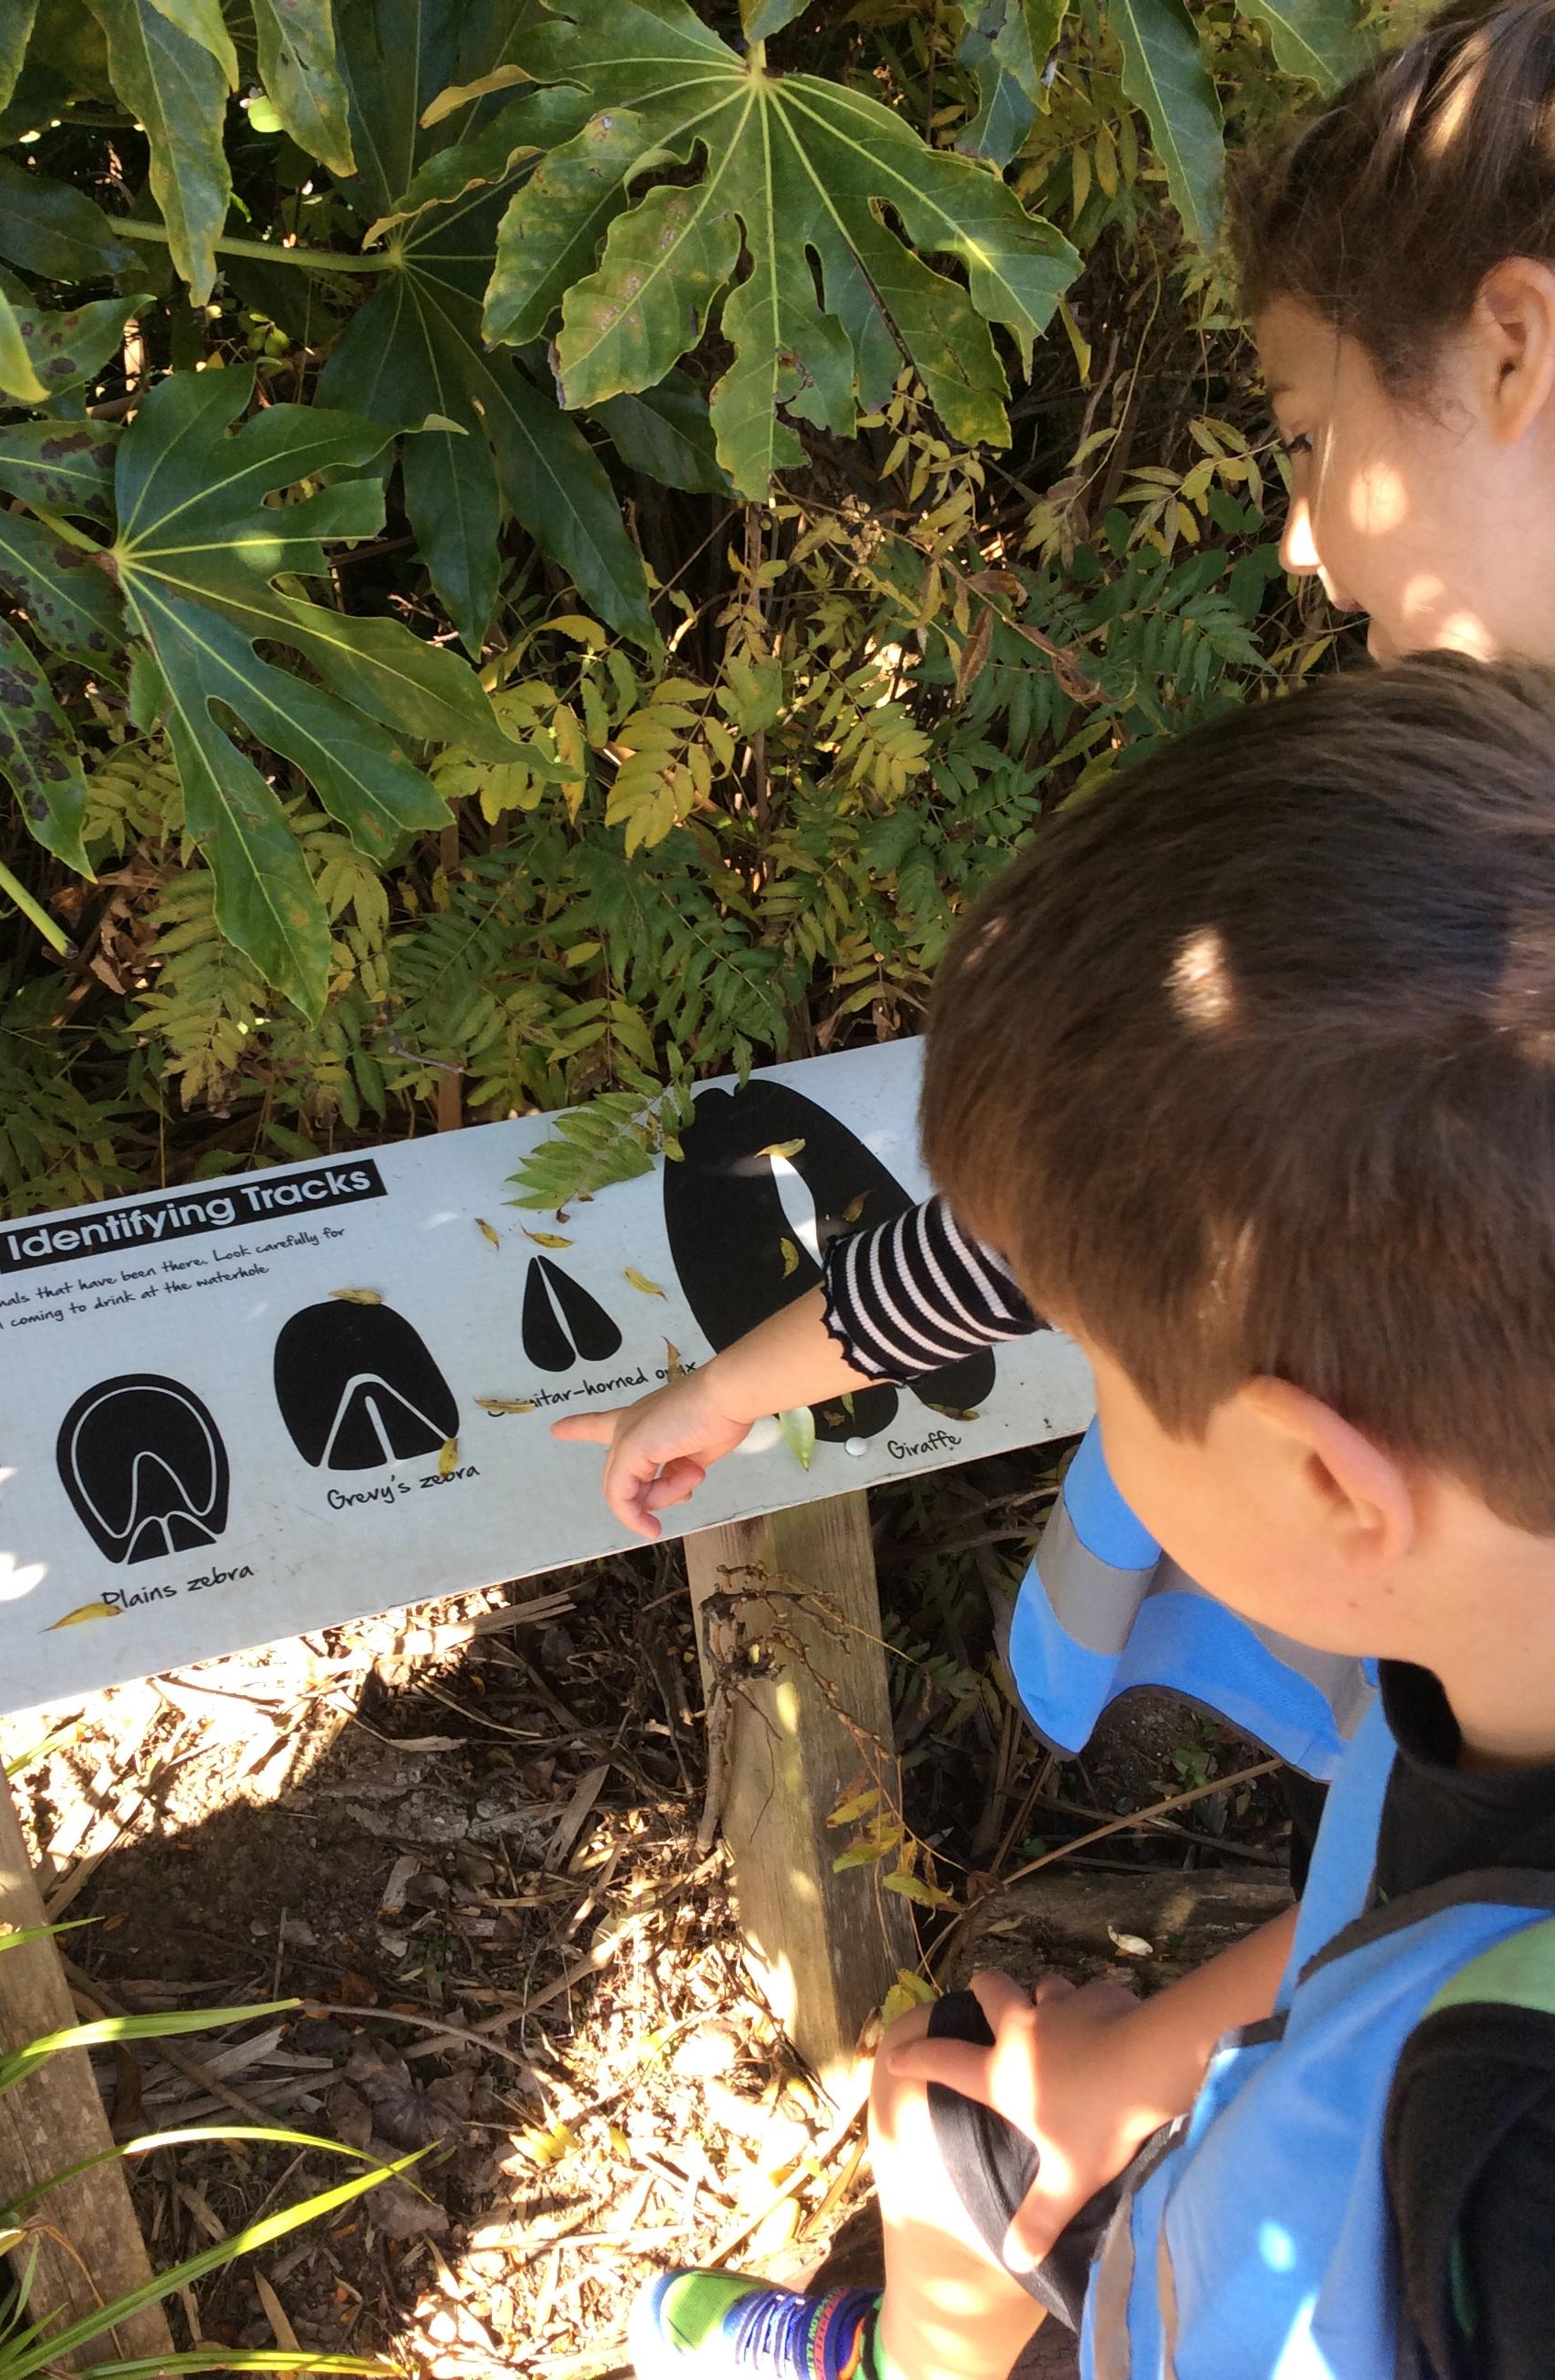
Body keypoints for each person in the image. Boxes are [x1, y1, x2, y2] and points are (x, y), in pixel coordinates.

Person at [554, 0, 1555, 1815]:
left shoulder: (1462, 872)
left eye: (1305, 434)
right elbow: (1113, 1189)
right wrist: (746, 1384)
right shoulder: (1457, 846)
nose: (1300, 545)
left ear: (1510, 350)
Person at [628, 654, 1555, 2380]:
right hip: (1262, 2164)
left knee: (946, 2155)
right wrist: (1163, 2056)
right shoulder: (1507, 1646)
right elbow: (1420, 1896)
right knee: (951, 2110)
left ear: (1327, 1481)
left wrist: (976, 2305)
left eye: (1106, 1372)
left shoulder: (1516, 2189)